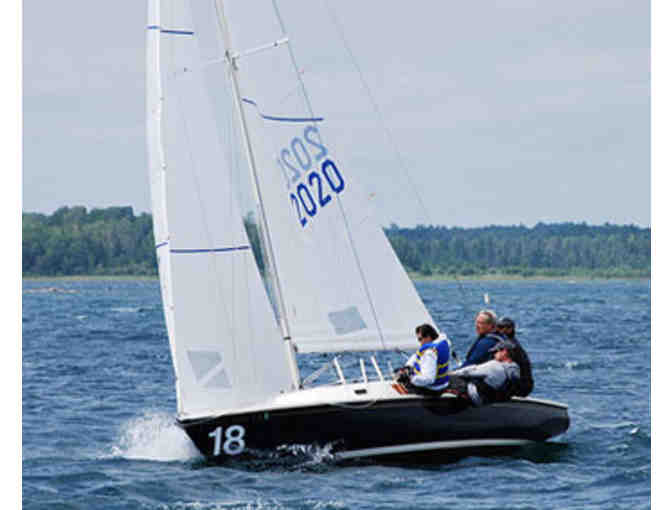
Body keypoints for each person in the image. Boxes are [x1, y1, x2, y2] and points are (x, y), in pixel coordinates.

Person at [447, 340, 520, 406]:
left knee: (448, 378)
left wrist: (450, 373)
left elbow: (468, 372)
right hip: (493, 400)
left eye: (496, 352)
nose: (494, 355)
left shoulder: (495, 365)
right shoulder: (515, 369)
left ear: (504, 351)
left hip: (477, 398)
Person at [396, 324, 451, 395]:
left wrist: (410, 378)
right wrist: (407, 366)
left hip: (432, 388)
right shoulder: (443, 342)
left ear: (428, 337)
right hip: (443, 383)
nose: (419, 342)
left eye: (420, 339)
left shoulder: (429, 354)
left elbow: (429, 379)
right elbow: (416, 355)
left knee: (403, 382)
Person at [495, 317, 534, 397]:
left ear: (511, 329)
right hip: (523, 384)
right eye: (499, 327)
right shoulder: (510, 343)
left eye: (504, 328)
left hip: (521, 386)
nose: (502, 330)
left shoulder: (510, 346)